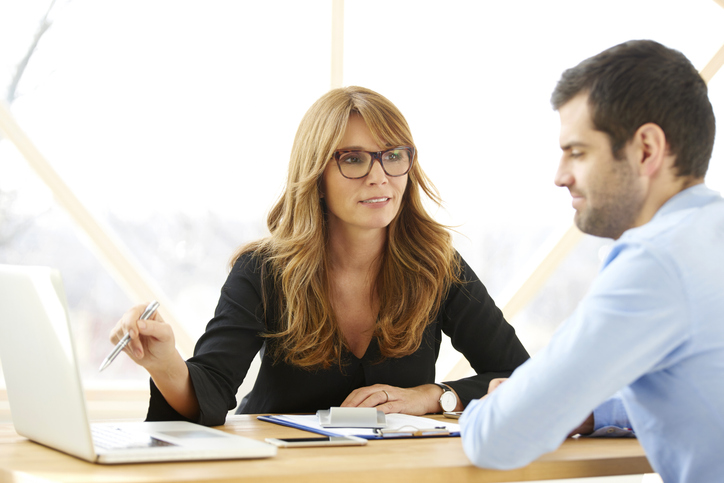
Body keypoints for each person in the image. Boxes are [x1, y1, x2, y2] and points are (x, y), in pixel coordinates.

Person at [112, 86, 529, 426]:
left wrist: (435, 396)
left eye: (394, 156)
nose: (379, 175)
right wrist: (164, 362)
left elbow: (521, 377)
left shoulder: (438, 266)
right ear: (317, 176)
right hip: (280, 473)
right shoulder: (263, 270)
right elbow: (211, 394)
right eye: (353, 159)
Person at [460, 40, 724, 482]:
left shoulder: (656, 261)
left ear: (645, 149)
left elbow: (496, 438)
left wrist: (490, 411)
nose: (560, 176)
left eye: (577, 152)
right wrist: (594, 410)